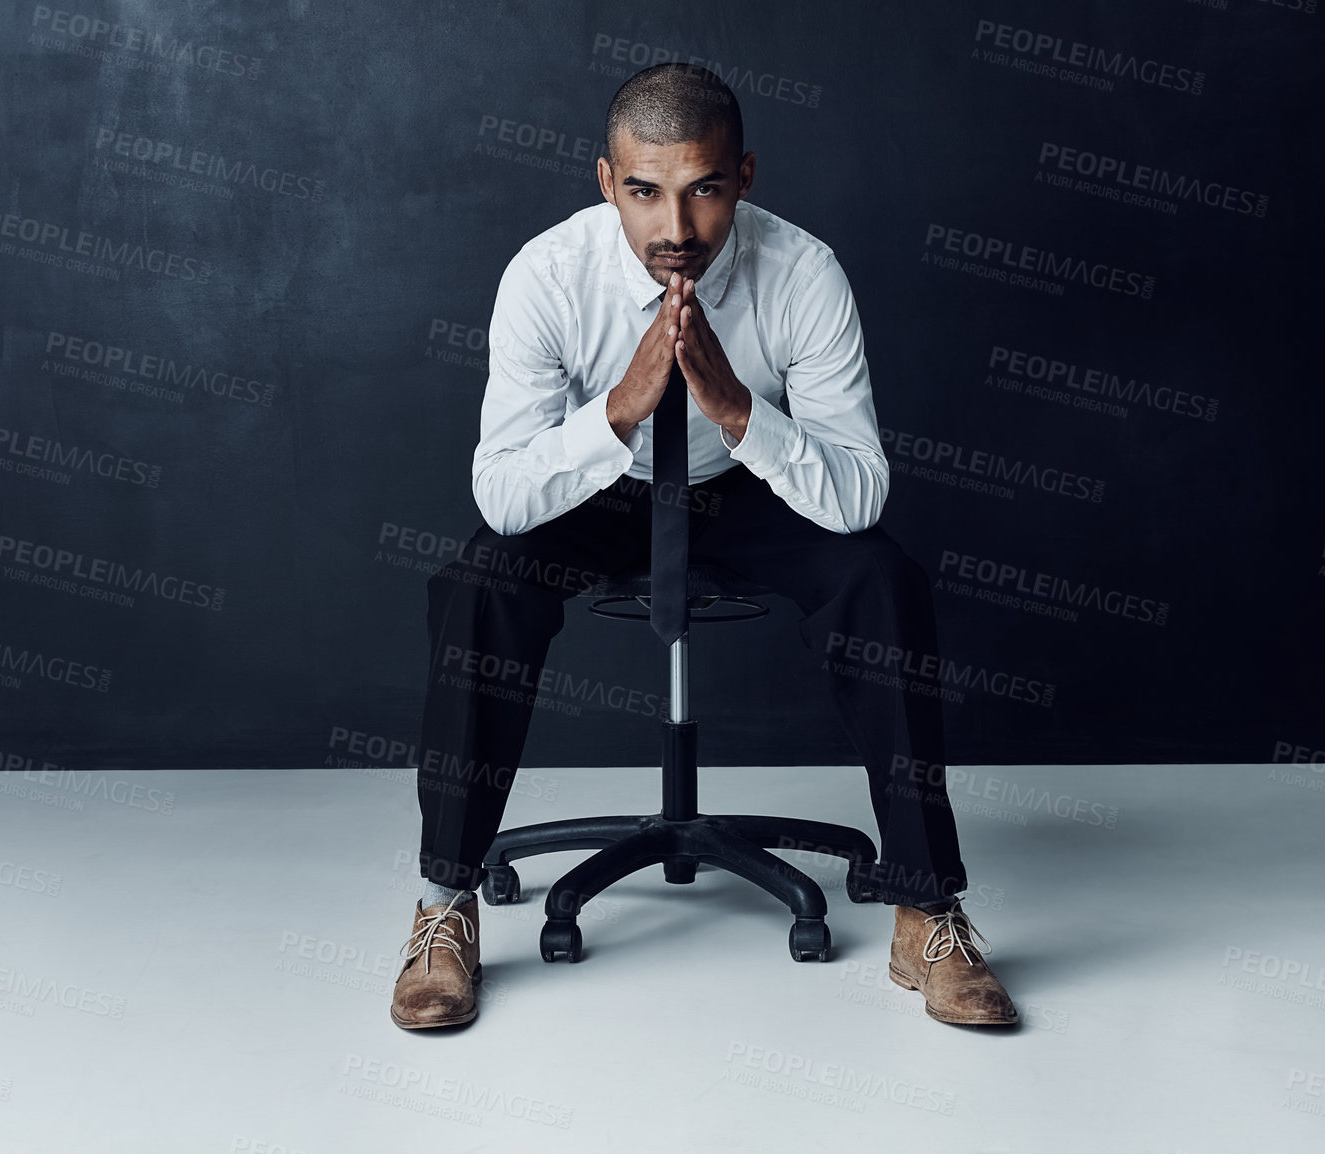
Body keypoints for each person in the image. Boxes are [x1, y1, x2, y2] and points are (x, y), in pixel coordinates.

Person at [390, 64, 1017, 1031]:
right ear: (607, 182)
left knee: (881, 580)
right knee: (478, 581)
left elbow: (856, 496)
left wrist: (735, 410)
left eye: (705, 189)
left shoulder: (804, 275)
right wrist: (618, 410)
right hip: (603, 490)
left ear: (746, 177)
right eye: (644, 192)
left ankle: (926, 910)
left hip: (749, 488)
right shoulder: (548, 277)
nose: (674, 226)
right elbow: (505, 494)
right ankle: (443, 907)